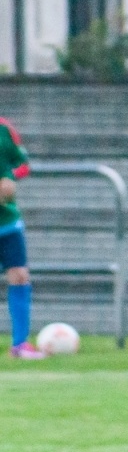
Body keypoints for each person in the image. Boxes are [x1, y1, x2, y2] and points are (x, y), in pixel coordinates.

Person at [0, 118, 42, 359]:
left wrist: (9, 179)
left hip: (7, 222)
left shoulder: (4, 130)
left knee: (19, 276)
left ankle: (20, 344)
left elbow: (23, 165)